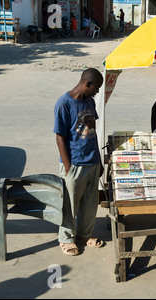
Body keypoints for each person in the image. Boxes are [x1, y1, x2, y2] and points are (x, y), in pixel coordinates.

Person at [53, 68, 105, 256]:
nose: (97, 92)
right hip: (74, 164)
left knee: (91, 204)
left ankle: (84, 234)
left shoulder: (90, 102)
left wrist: (99, 161)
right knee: (70, 205)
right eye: (96, 88)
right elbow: (60, 137)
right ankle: (66, 239)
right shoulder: (64, 104)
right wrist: (68, 167)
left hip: (92, 162)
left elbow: (93, 132)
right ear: (87, 84)